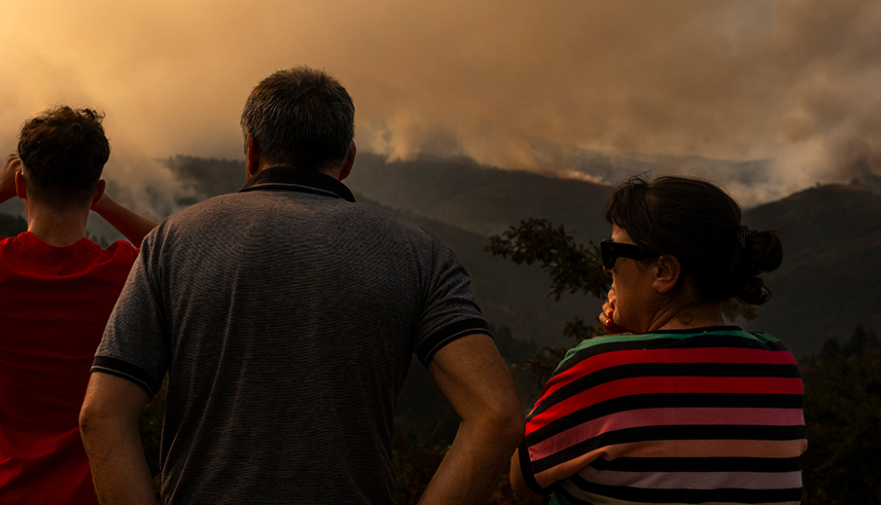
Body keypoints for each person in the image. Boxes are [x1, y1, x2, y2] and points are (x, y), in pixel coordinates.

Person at [79, 66, 524, 505]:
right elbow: (498, 414)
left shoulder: (172, 243)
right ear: (347, 159)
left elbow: (101, 414)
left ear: (251, 151)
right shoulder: (421, 255)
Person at [0, 106, 157, 505]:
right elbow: (179, 248)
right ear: (97, 190)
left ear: (21, 185)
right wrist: (99, 202)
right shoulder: (125, 273)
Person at [511, 176, 807, 504]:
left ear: (664, 272)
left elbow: (523, 480)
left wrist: (620, 349)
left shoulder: (599, 370)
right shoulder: (779, 366)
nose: (606, 268)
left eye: (612, 251)